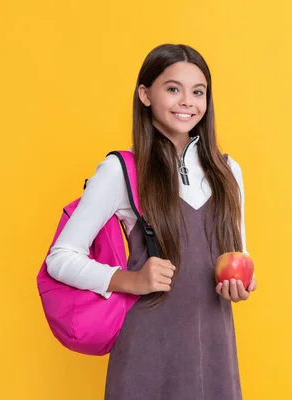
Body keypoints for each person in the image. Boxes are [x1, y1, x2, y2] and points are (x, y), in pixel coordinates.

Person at [45, 43, 257, 400]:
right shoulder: (121, 170)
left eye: (198, 92)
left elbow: (239, 257)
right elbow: (60, 257)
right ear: (145, 94)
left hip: (215, 349)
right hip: (148, 350)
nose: (187, 101)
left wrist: (242, 287)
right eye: (173, 89)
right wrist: (130, 279)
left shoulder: (228, 172)